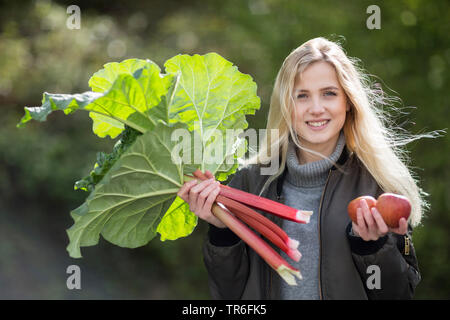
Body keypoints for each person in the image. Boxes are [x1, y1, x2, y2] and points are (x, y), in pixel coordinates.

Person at [177, 37, 427, 299]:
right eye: (302, 96)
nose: (316, 109)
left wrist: (374, 248)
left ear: (348, 102)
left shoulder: (379, 186)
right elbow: (229, 294)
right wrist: (222, 232)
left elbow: (399, 294)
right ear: (286, 105)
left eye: (329, 93)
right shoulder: (249, 182)